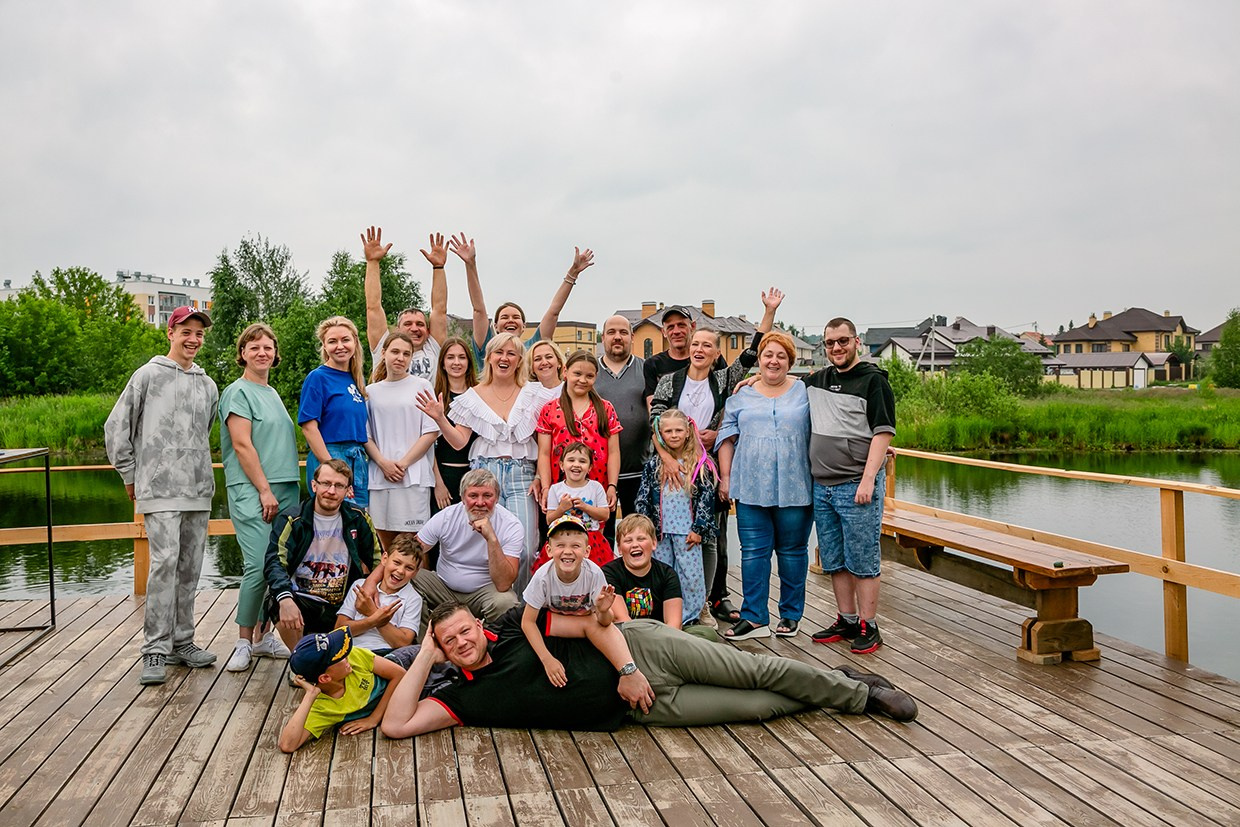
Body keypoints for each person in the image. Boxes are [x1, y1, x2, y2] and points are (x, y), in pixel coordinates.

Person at [379, 601, 918, 737]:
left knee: (758, 674)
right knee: (759, 708)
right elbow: (396, 725)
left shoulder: (518, 626)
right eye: (450, 642)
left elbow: (596, 626)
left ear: (478, 624)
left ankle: (860, 696)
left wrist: (630, 667)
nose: (463, 642)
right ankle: (844, 684)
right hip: (640, 711)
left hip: (643, 653)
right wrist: (426, 652)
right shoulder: (462, 699)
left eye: (464, 631)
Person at [646, 290, 783, 625]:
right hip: (672, 468)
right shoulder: (669, 381)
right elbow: (656, 421)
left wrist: (768, 312)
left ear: (715, 352)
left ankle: (707, 600)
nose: (700, 350)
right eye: (696, 345)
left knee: (710, 536)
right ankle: (670, 602)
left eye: (708, 346)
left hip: (706, 468)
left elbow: (752, 353)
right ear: (689, 348)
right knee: (670, 535)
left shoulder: (723, 379)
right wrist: (666, 457)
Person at [105, 305, 220, 686]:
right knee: (164, 563)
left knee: (190, 567)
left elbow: (203, 432)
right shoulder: (147, 376)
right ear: (170, 333)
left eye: (199, 334)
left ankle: (182, 641)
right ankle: (154, 647)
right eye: (185, 331)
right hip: (158, 488)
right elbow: (117, 427)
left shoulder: (208, 384)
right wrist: (129, 473)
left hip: (197, 488)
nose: (193, 339)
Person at [417, 333, 548, 593]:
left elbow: (543, 444)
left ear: (520, 359)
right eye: (499, 352)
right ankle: (488, 606)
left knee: (526, 546)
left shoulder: (534, 394)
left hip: (523, 472)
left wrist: (540, 478)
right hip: (484, 472)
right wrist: (441, 419)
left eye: (511, 353)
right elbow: (458, 442)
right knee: (486, 541)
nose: (505, 358)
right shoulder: (471, 397)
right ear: (488, 358)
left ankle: (518, 609)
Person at [806, 319, 896, 655]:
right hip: (823, 486)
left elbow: (882, 432)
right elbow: (781, 382)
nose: (836, 349)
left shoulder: (873, 381)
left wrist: (869, 478)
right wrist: (753, 381)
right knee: (834, 558)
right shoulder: (817, 381)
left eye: (843, 341)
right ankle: (846, 619)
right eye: (829, 343)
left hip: (856, 485)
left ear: (856, 341)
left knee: (863, 558)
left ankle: (869, 625)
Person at [717, 331, 813, 641]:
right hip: (750, 486)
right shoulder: (741, 395)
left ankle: (790, 615)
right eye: (768, 355)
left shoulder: (805, 392)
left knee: (792, 551)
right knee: (753, 552)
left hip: (795, 484)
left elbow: (832, 425)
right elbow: (726, 439)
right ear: (759, 360)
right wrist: (727, 479)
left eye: (781, 356)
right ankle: (755, 616)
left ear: (790, 362)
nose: (774, 360)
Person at [219, 323, 302, 672]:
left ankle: (265, 638)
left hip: (286, 487)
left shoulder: (272, 392)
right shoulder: (237, 392)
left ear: (275, 354)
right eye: (254, 348)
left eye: (267, 347)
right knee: (257, 565)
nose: (262, 353)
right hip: (254, 489)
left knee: (279, 565)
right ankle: (242, 641)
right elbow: (242, 444)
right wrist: (264, 489)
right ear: (242, 354)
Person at [263, 459, 378, 651]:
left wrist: (372, 588)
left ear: (348, 490)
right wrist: (285, 598)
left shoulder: (359, 518)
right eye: (326, 483)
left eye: (339, 486)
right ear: (314, 485)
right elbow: (274, 562)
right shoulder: (292, 519)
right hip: (301, 599)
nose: (331, 491)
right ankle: (299, 659)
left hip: (343, 602)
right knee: (277, 598)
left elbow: (377, 559)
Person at [449, 231, 594, 367]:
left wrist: (573, 273)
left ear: (524, 326)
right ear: (496, 326)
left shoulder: (533, 348)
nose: (511, 320)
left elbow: (553, 312)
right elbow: (478, 310)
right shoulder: (487, 346)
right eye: (505, 317)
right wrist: (470, 265)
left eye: (516, 317)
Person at [634, 409, 718, 628]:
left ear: (688, 432)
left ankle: (689, 617)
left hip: (687, 531)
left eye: (678, 430)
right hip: (659, 532)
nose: (673, 435)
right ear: (660, 434)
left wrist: (699, 529)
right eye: (668, 431)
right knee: (662, 573)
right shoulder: (654, 465)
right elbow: (643, 496)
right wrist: (645, 528)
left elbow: (706, 500)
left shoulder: (700, 463)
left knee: (690, 576)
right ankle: (663, 617)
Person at [409, 469, 524, 622]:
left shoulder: (511, 525)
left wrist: (492, 539)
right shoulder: (446, 517)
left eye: (487, 496)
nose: (480, 503)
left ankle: (489, 645)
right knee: (407, 577)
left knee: (506, 602)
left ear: (496, 498)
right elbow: (408, 552)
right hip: (443, 588)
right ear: (463, 498)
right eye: (473, 496)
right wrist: (372, 580)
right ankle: (423, 642)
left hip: (484, 593)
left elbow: (503, 584)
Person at [520, 515, 616, 687]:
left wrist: (603, 610)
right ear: (549, 550)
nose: (568, 551)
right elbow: (527, 622)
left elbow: (606, 622)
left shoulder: (594, 574)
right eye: (560, 545)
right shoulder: (543, 577)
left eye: (576, 546)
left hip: (585, 628)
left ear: (587, 552)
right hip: (554, 628)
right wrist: (547, 659)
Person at [365, 331, 440, 550]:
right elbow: (366, 435)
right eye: (395, 352)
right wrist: (383, 463)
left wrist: (403, 464)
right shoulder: (370, 392)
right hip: (380, 477)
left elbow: (430, 432)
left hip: (413, 477)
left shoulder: (422, 386)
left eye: (406, 354)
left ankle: (418, 585)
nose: (400, 357)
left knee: (414, 545)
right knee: (384, 542)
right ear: (384, 353)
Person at [278, 628, 406, 753]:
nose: (346, 653)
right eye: (339, 656)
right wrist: (310, 695)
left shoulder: (352, 657)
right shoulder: (323, 708)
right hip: (404, 704)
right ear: (325, 677)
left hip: (404, 665)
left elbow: (399, 674)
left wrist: (374, 718)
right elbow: (287, 745)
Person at [536, 350, 621, 517]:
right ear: (565, 371)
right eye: (577, 374)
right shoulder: (550, 409)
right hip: (561, 489)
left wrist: (612, 486)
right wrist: (546, 488)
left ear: (596, 377)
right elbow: (544, 453)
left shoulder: (605, 408)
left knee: (596, 536)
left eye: (589, 376)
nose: (583, 380)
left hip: (598, 489)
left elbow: (614, 451)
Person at [299, 316, 370, 508]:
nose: (340, 346)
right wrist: (334, 471)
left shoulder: (355, 379)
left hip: (357, 459)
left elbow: (361, 432)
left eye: (345, 340)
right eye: (332, 341)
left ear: (355, 341)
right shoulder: (318, 378)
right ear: (324, 345)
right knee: (331, 523)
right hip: (330, 457)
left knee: (356, 522)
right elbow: (309, 428)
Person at [362, 226, 448, 380]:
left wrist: (438, 267)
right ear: (397, 330)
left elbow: (439, 309)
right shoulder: (385, 348)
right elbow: (373, 307)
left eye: (420, 324)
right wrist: (372, 262)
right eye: (408, 324)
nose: (415, 328)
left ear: (428, 331)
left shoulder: (432, 349)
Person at [594, 315, 650, 540]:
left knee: (635, 537)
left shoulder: (647, 370)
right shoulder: (590, 372)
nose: (617, 337)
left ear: (632, 337)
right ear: (603, 337)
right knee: (602, 539)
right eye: (612, 332)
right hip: (598, 474)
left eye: (623, 332)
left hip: (638, 470)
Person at [335, 533, 425, 655]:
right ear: (384, 559)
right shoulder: (360, 586)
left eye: (409, 568)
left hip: (386, 654)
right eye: (397, 562)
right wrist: (374, 620)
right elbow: (339, 630)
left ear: (415, 572)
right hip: (352, 650)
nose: (400, 571)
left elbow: (403, 643)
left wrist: (371, 611)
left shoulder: (413, 598)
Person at [535, 442, 613, 571]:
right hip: (563, 537)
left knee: (593, 572)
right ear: (562, 465)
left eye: (582, 461)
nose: (576, 464)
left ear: (589, 467)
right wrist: (562, 508)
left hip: (591, 539)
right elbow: (549, 519)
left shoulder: (596, 487)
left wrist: (585, 507)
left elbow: (605, 514)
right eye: (571, 460)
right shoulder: (555, 489)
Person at [602, 515, 683, 630]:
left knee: (706, 633)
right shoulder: (608, 573)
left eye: (641, 539)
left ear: (654, 543)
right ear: (619, 548)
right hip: (624, 637)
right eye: (628, 540)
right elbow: (621, 619)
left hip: (661, 636)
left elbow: (674, 623)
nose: (635, 545)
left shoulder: (667, 574)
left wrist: (661, 643)